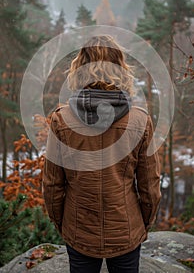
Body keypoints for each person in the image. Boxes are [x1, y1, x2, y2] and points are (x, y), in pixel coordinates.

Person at [43, 35, 161, 273]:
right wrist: (143, 224)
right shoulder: (140, 121)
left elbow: (53, 186)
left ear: (79, 69)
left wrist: (62, 224)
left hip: (80, 229)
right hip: (126, 229)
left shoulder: (61, 120)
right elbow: (150, 186)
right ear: (121, 69)